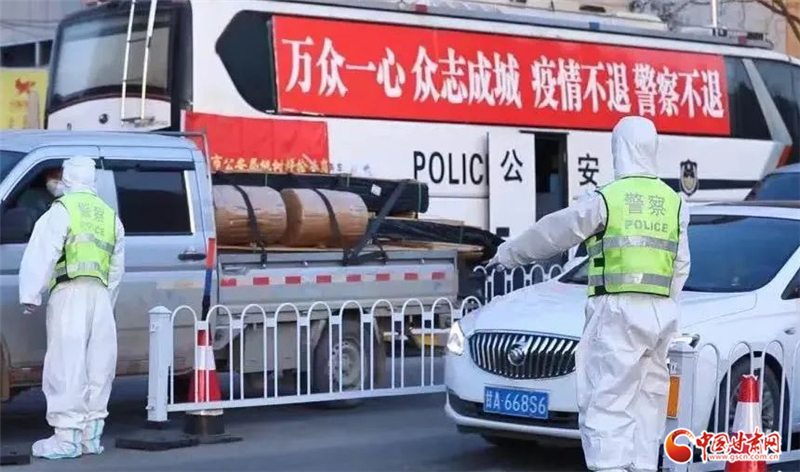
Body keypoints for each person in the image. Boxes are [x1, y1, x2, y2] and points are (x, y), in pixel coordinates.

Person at [489, 116, 690, 472]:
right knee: (648, 401)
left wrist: (508, 254)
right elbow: (681, 265)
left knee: (607, 402)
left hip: (617, 311)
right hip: (661, 312)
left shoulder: (607, 199)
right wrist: (665, 305)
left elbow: (553, 233)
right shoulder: (674, 203)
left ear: (619, 149)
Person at [19, 156, 125, 460]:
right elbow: (116, 270)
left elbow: (43, 252)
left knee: (66, 363)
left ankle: (67, 438)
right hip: (100, 296)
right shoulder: (110, 216)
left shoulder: (62, 210)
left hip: (69, 293)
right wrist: (107, 303)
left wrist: (31, 294)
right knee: (98, 366)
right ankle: (90, 436)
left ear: (66, 179)